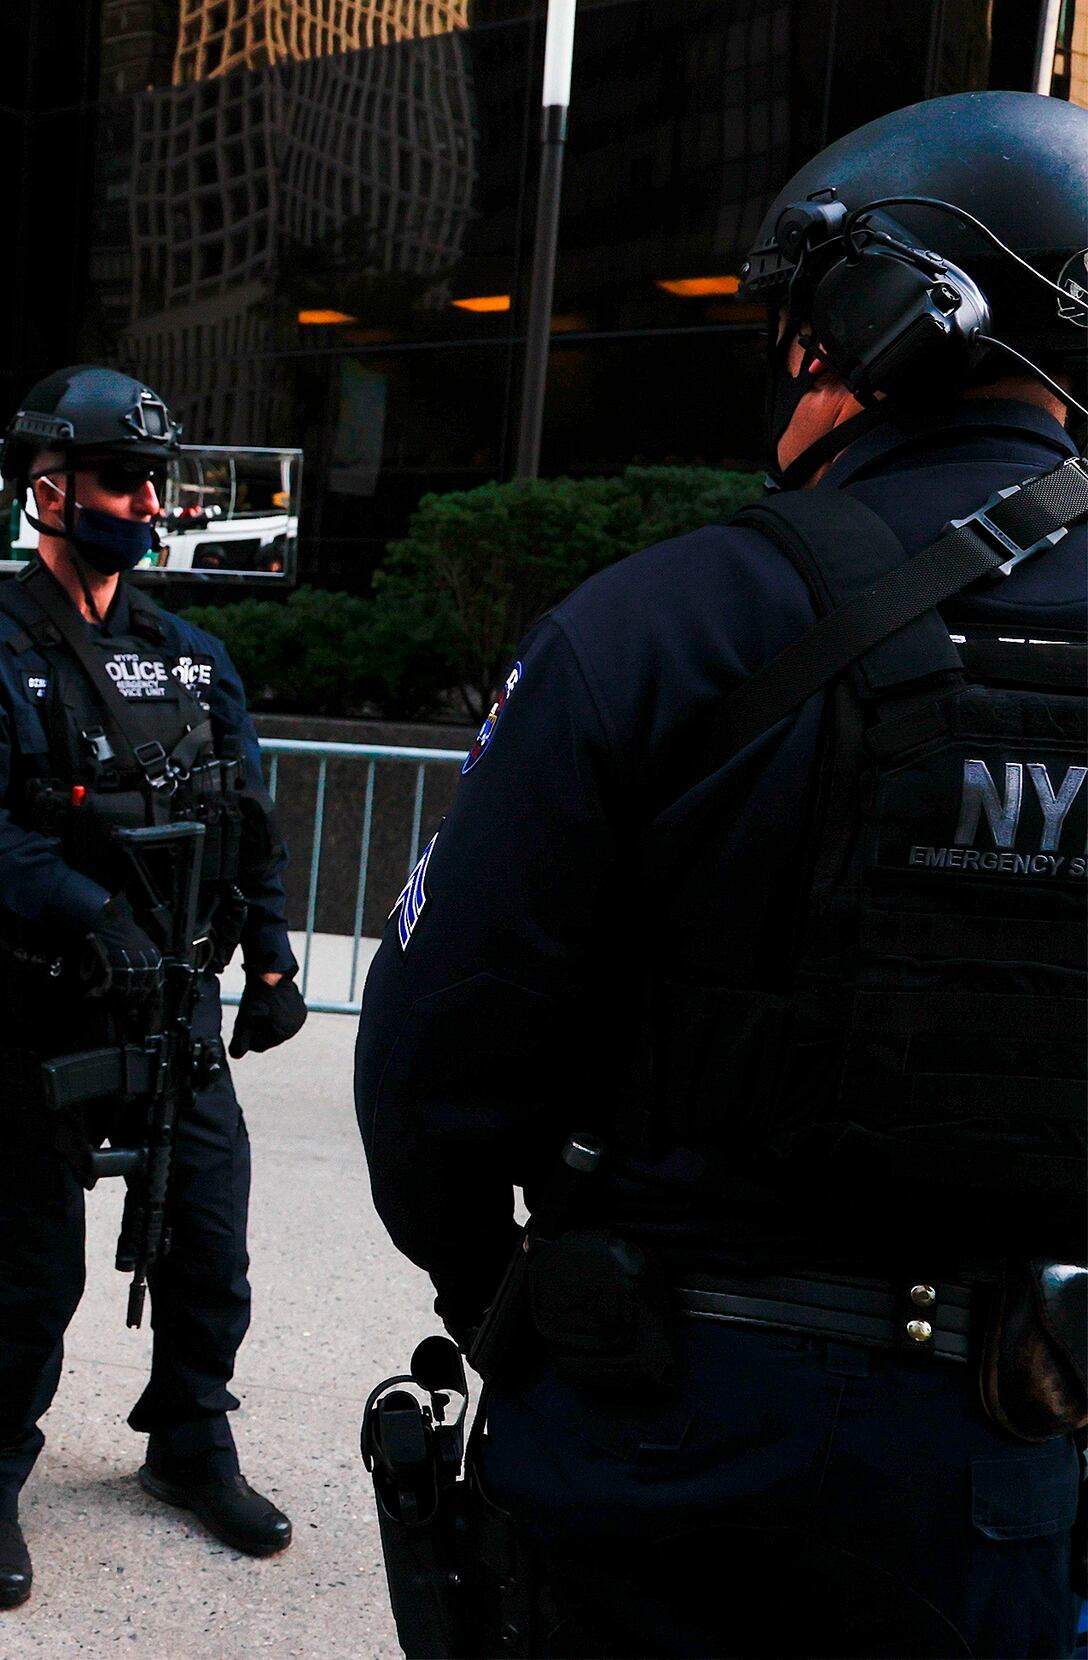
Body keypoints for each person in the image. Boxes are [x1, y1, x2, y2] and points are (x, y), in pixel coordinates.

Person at [355, 90, 1088, 1657]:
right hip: (1004, 1443)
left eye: (811, 323)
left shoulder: (666, 621)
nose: (794, 362)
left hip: (662, 1422)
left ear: (892, 320)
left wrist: (530, 1297)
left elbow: (431, 1059)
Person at [0, 365, 310, 1610]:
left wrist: (276, 952)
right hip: (43, 1008)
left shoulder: (190, 658)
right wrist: (82, 913)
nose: (145, 499)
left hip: (174, 1010)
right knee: (30, 1275)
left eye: (154, 479)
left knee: (210, 1252)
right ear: (48, 487)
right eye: (121, 478)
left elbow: (245, 816)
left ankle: (190, 1447)